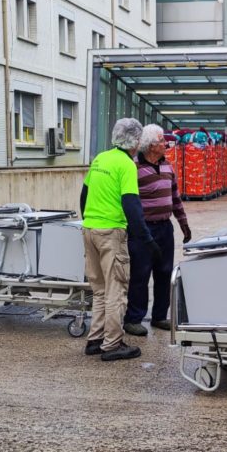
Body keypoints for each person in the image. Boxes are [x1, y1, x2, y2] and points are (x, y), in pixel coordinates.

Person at [79, 118, 161, 361]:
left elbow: (84, 196)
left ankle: (95, 339)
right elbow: (132, 205)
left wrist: (90, 221)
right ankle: (112, 344)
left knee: (100, 290)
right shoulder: (126, 165)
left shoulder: (100, 159)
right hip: (111, 233)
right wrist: (147, 240)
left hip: (90, 229)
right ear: (136, 141)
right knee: (116, 290)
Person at [123, 125, 192, 336]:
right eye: (162, 141)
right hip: (143, 231)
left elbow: (175, 198)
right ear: (151, 145)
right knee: (140, 274)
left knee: (164, 273)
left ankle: (160, 316)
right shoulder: (133, 168)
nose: (166, 145)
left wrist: (183, 223)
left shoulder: (167, 167)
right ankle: (133, 319)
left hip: (164, 228)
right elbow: (127, 201)